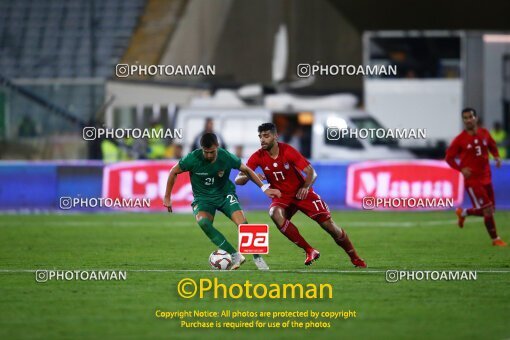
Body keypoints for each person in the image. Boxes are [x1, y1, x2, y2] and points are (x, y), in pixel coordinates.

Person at [235, 123, 366, 267]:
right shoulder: (257, 156)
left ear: (275, 136)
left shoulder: (288, 151)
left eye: (266, 136)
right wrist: (251, 176)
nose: (262, 140)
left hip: (301, 192)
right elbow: (238, 180)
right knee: (274, 213)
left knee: (329, 226)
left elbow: (311, 173)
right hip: (282, 196)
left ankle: (355, 257)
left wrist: (305, 187)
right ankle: (310, 250)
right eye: (260, 137)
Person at [163, 132, 281, 270]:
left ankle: (258, 258)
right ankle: (235, 255)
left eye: (212, 152)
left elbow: (247, 170)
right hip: (203, 199)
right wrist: (167, 197)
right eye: (205, 152)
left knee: (243, 224)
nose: (208, 155)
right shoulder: (192, 158)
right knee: (203, 223)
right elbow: (173, 171)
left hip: (225, 195)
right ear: (201, 149)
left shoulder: (225, 156)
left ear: (217, 147)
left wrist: (264, 187)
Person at [445, 108, 506, 246]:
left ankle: (463, 212)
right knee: (487, 209)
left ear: (476, 118)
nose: (468, 120)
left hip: (486, 177)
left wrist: (496, 156)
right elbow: (449, 158)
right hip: (473, 180)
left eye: (470, 117)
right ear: (463, 121)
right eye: (465, 118)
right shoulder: (459, 140)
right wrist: (461, 169)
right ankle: (495, 239)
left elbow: (492, 145)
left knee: (490, 210)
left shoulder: (484, 133)